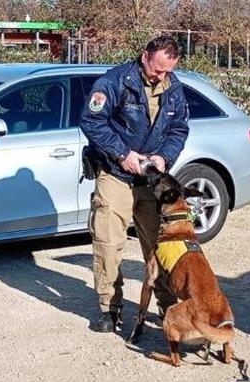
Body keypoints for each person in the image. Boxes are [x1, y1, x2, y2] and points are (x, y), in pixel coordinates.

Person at [80, 35, 190, 333]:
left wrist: (164, 159)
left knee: (161, 246)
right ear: (144, 56)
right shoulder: (114, 82)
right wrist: (122, 154)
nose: (161, 76)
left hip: (151, 180)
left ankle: (169, 307)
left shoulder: (174, 88)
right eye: (157, 69)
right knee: (108, 242)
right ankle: (109, 308)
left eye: (167, 70)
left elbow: (179, 128)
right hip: (116, 173)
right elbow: (92, 122)